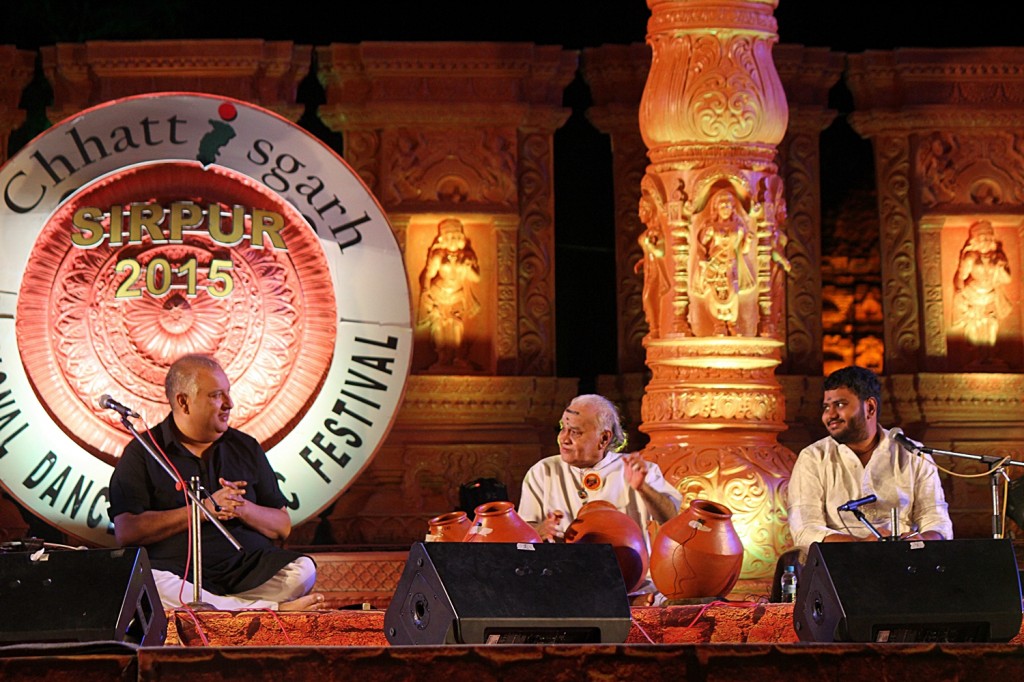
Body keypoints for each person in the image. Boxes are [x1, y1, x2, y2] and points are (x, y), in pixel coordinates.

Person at [108, 354, 325, 611]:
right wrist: (202, 510)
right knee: (147, 582)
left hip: (244, 571)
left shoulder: (245, 447)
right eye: (216, 396)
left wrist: (241, 507)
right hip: (178, 574)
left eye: (228, 394)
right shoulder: (144, 451)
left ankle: (228, 609)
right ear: (184, 402)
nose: (229, 404)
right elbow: (127, 532)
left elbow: (282, 527)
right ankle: (267, 611)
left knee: (302, 570)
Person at [518, 394, 682, 598]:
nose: (564, 438)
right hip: (563, 586)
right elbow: (522, 535)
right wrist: (539, 531)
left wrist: (642, 488)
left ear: (604, 438)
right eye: (563, 428)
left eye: (575, 432)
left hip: (629, 586)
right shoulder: (543, 471)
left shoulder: (639, 470)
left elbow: (670, 517)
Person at [787, 365, 953, 554]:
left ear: (870, 407)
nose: (830, 415)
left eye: (840, 404)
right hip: (840, 565)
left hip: (906, 561)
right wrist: (862, 545)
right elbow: (805, 530)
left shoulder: (913, 454)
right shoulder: (813, 458)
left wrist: (922, 539)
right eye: (826, 407)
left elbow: (937, 520)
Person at [417, 217, 482, 369]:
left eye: (457, 237)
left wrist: (468, 267)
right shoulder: (439, 255)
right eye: (450, 237)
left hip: (457, 296)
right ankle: (441, 357)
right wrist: (426, 291)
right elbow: (429, 274)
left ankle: (457, 356)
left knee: (456, 324)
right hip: (438, 294)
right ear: (443, 239)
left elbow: (476, 278)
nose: (453, 240)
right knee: (439, 325)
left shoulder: (467, 256)